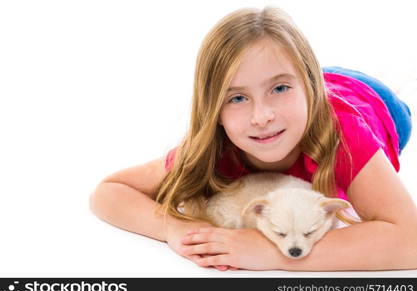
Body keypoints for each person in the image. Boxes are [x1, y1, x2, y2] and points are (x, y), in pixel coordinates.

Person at [89, 6, 417, 271]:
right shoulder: (219, 145)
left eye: (279, 88)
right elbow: (109, 191)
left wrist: (272, 253)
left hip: (373, 100)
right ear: (214, 112)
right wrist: (174, 229)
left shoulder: (343, 136)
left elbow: (410, 241)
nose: (261, 117)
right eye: (237, 98)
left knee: (397, 97)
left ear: (310, 89)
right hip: (315, 84)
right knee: (270, 74)